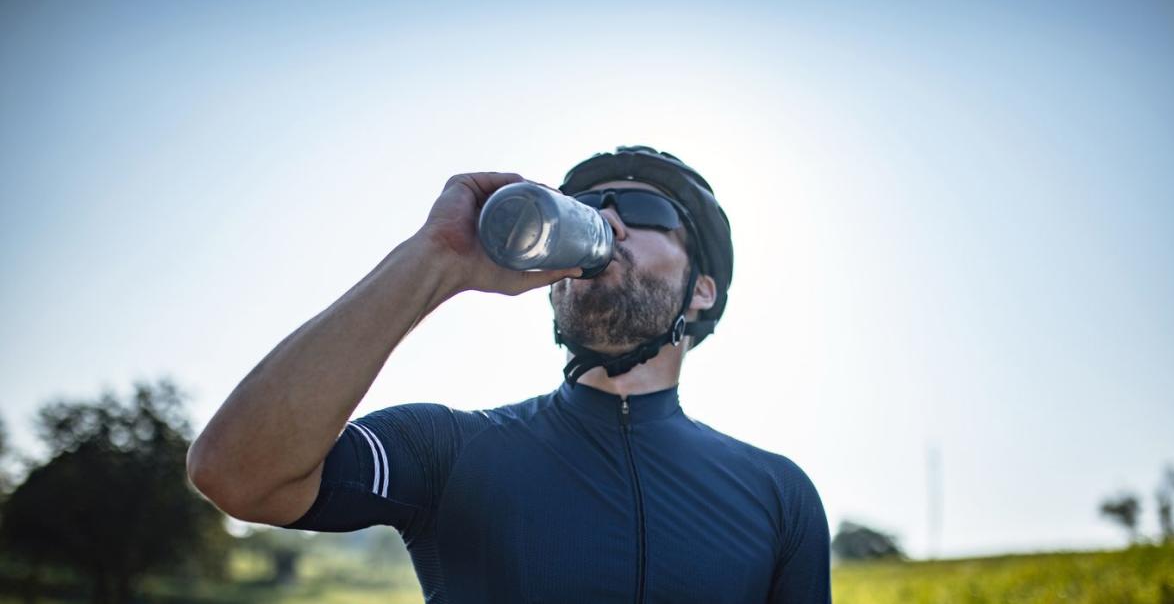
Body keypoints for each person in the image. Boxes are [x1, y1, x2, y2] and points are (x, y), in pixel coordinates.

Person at [187, 146, 832, 603]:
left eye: (642, 210)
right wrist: (435, 260)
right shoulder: (449, 450)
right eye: (584, 207)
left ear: (702, 291)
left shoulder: (778, 495)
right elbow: (236, 474)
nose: (606, 219)